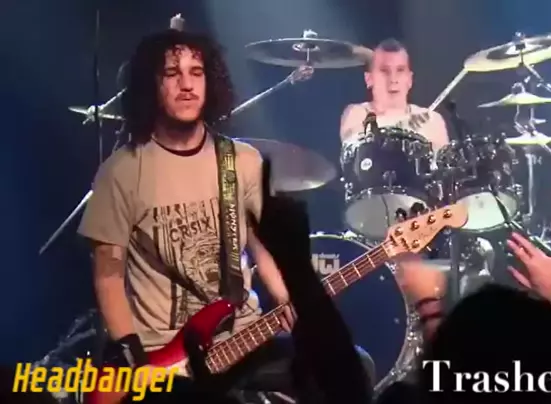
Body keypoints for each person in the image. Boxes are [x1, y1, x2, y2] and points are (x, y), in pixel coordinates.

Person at [77, 28, 374, 401]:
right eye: (172, 73)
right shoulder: (121, 172)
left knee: (351, 366)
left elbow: (262, 246)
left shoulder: (241, 162)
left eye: (196, 72)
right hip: (162, 358)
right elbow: (108, 277)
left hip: (242, 340)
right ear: (151, 85)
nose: (187, 85)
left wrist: (289, 298)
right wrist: (134, 359)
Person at [338, 38, 450, 339]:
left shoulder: (433, 120)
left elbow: (444, 177)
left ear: (410, 79)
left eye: (400, 70)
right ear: (369, 79)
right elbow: (353, 140)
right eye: (384, 71)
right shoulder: (356, 112)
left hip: (420, 228)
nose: (393, 79)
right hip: (367, 223)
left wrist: (422, 130)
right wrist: (402, 124)